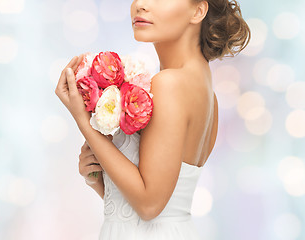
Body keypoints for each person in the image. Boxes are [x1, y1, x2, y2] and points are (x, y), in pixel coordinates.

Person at [55, 0, 250, 238]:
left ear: (198, 11)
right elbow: (162, 203)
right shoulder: (207, 93)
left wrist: (83, 121)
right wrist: (99, 178)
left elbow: (149, 205)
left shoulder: (169, 84)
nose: (141, 5)